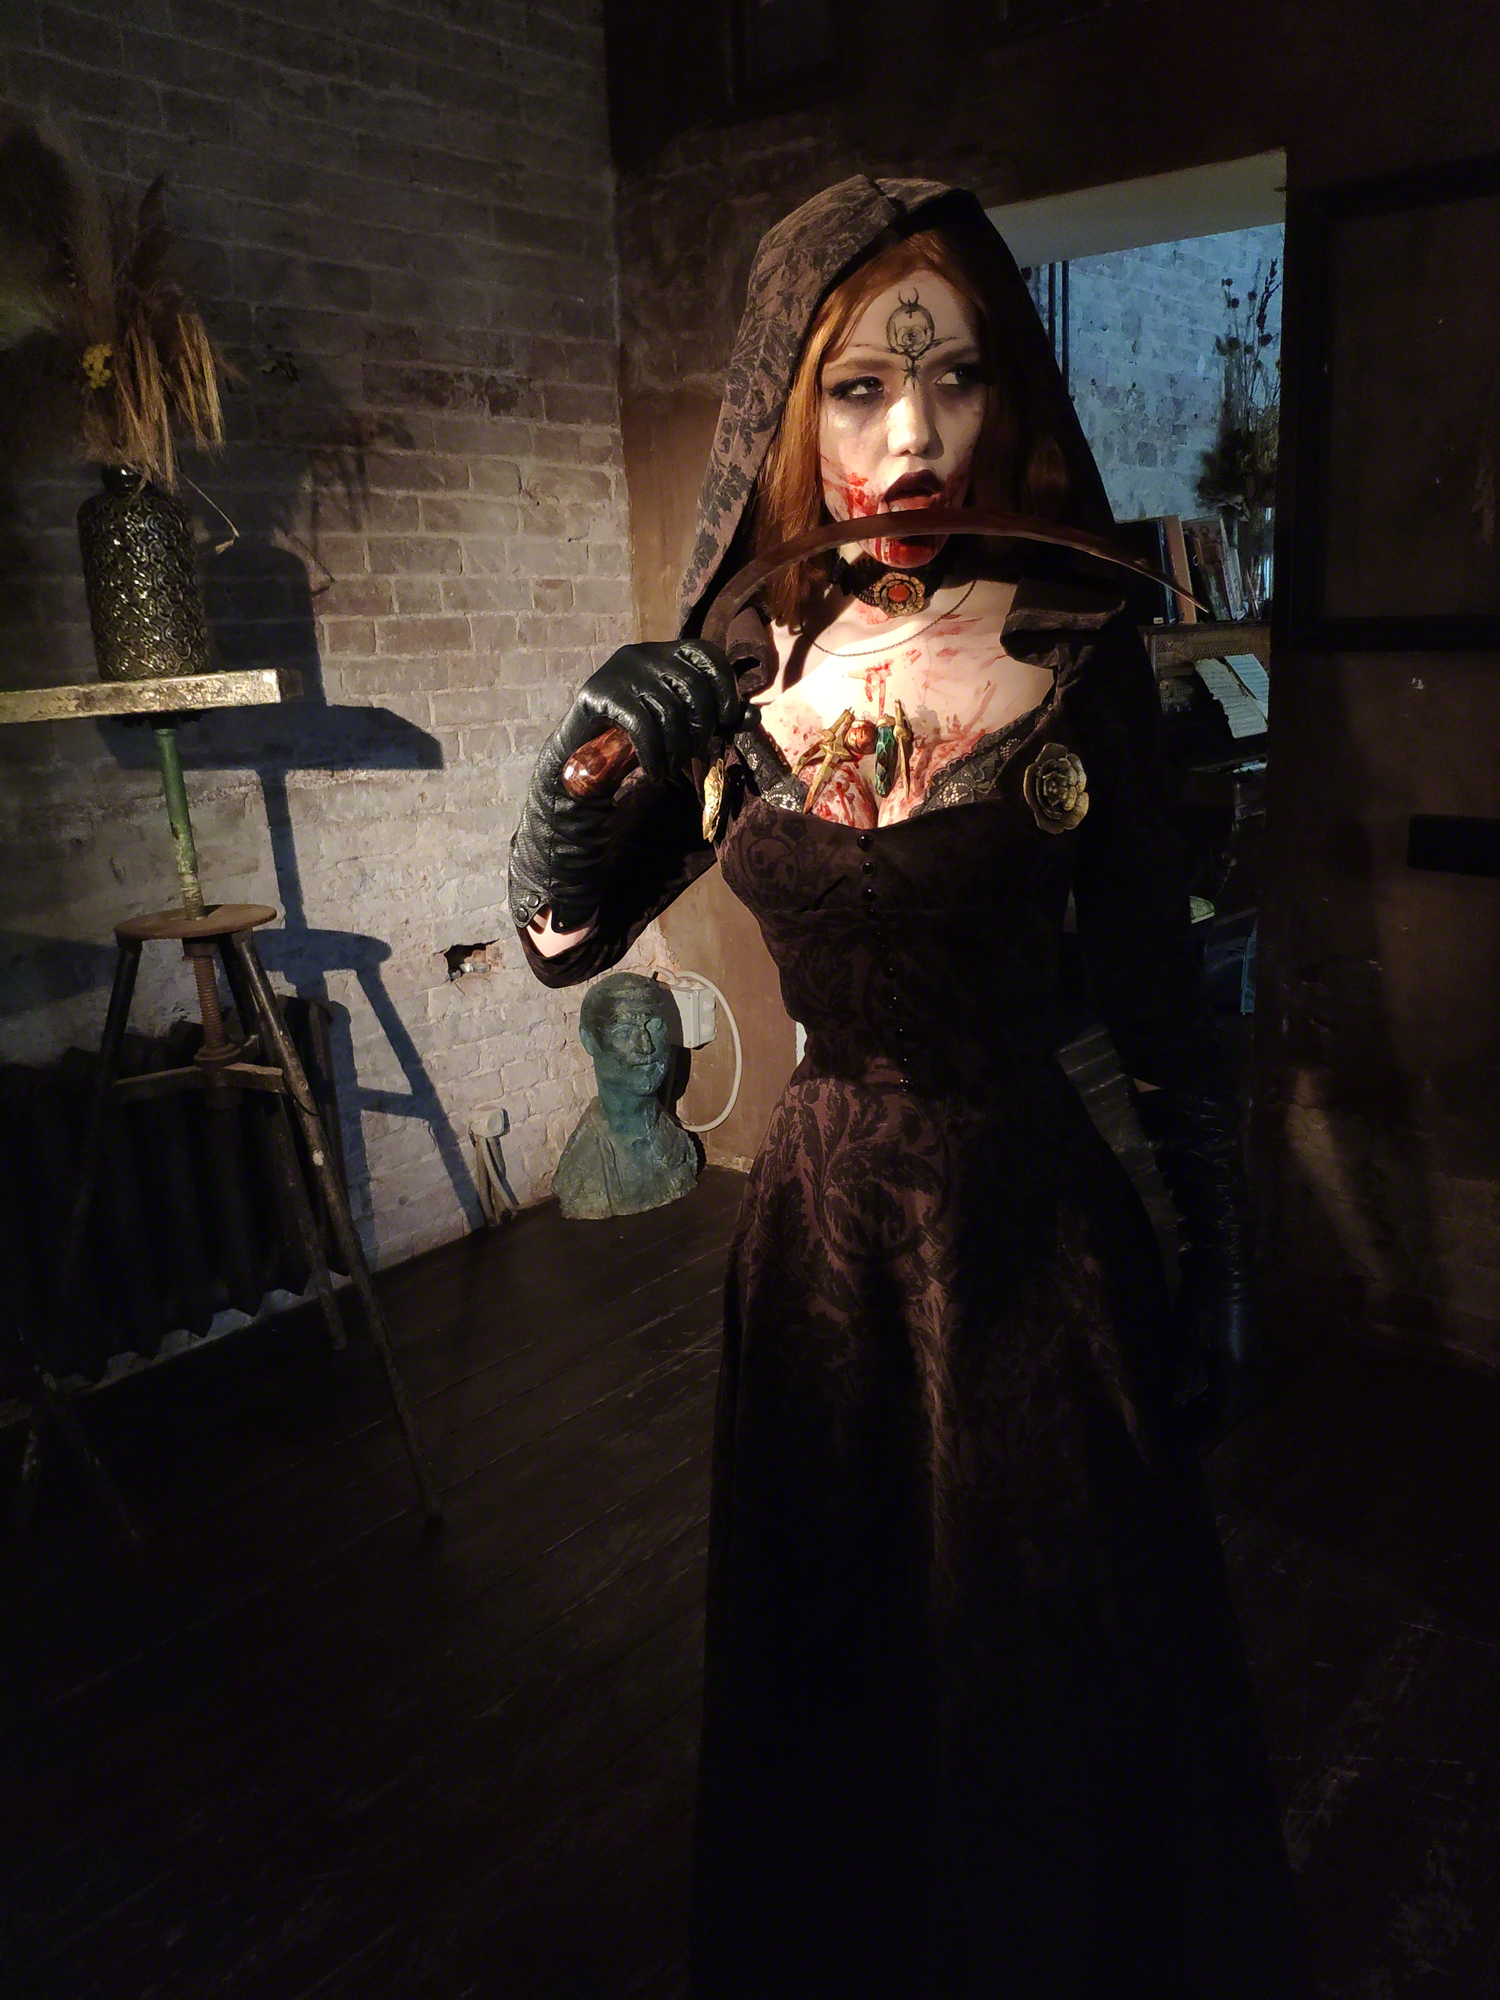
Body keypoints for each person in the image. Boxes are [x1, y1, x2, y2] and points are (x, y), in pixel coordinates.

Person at [510, 177, 1306, 1998]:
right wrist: (572, 778)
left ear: (1006, 387)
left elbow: (1153, 976)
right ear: (791, 409)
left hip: (1025, 1232)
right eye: (862, 388)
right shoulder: (745, 665)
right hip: (817, 1243)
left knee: (1049, 1664)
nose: (913, 435)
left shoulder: (1077, 642)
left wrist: (1219, 1247)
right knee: (842, 1666)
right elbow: (565, 943)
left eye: (951, 379)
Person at [553, 970, 697, 1219]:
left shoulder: (679, 1144)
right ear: (589, 1040)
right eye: (624, 1032)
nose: (646, 1046)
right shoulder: (584, 1170)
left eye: (654, 1026)